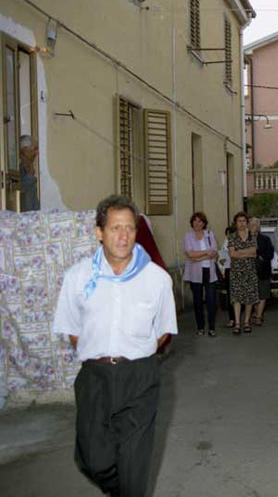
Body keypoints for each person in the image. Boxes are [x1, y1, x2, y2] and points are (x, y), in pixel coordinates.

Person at [53, 194, 177, 497]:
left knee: (135, 467)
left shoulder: (157, 279)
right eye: (115, 228)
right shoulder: (78, 277)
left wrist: (136, 350)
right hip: (94, 378)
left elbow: (163, 331)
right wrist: (100, 350)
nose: (124, 236)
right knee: (93, 460)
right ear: (99, 232)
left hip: (140, 377)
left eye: (130, 228)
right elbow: (70, 328)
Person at [183, 211, 219, 336]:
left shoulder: (209, 234)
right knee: (197, 300)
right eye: (195, 221)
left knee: (211, 300)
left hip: (209, 271)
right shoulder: (188, 236)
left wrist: (199, 257)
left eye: (200, 221)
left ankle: (212, 327)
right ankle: (200, 327)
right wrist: (206, 253)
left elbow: (214, 252)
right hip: (195, 273)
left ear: (204, 223)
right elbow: (190, 254)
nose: (197, 223)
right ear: (192, 222)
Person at [228, 212, 259, 335]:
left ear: (247, 222)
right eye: (239, 221)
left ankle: (246, 322)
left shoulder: (252, 236)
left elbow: (254, 253)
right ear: (236, 223)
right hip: (236, 271)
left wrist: (240, 252)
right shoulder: (231, 237)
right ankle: (237, 323)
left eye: (243, 221)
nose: (241, 223)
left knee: (249, 297)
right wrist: (246, 252)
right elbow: (232, 254)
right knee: (237, 297)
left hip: (250, 271)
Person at [250, 217, 275, 326]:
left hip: (263, 271)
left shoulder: (265, 239)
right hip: (249, 271)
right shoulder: (244, 239)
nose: (252, 227)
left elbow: (270, 254)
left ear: (258, 227)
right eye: (250, 225)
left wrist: (259, 254)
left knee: (262, 294)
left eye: (254, 225)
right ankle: (256, 313)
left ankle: (259, 316)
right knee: (252, 295)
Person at [19, 135, 40, 212]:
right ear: (25, 150)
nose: (37, 153)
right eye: (35, 149)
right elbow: (22, 187)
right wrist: (31, 177)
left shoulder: (29, 166)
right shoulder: (18, 168)